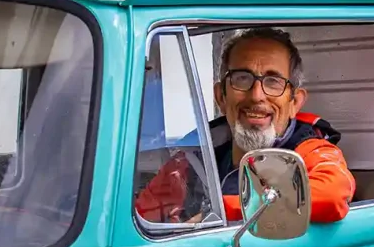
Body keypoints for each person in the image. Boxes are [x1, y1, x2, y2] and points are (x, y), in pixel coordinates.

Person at [137, 27, 355, 224]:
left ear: (294, 103)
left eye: (273, 81)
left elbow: (332, 193)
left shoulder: (309, 149)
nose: (257, 96)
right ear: (220, 97)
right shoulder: (193, 157)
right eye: (242, 78)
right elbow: (139, 217)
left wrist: (223, 211)